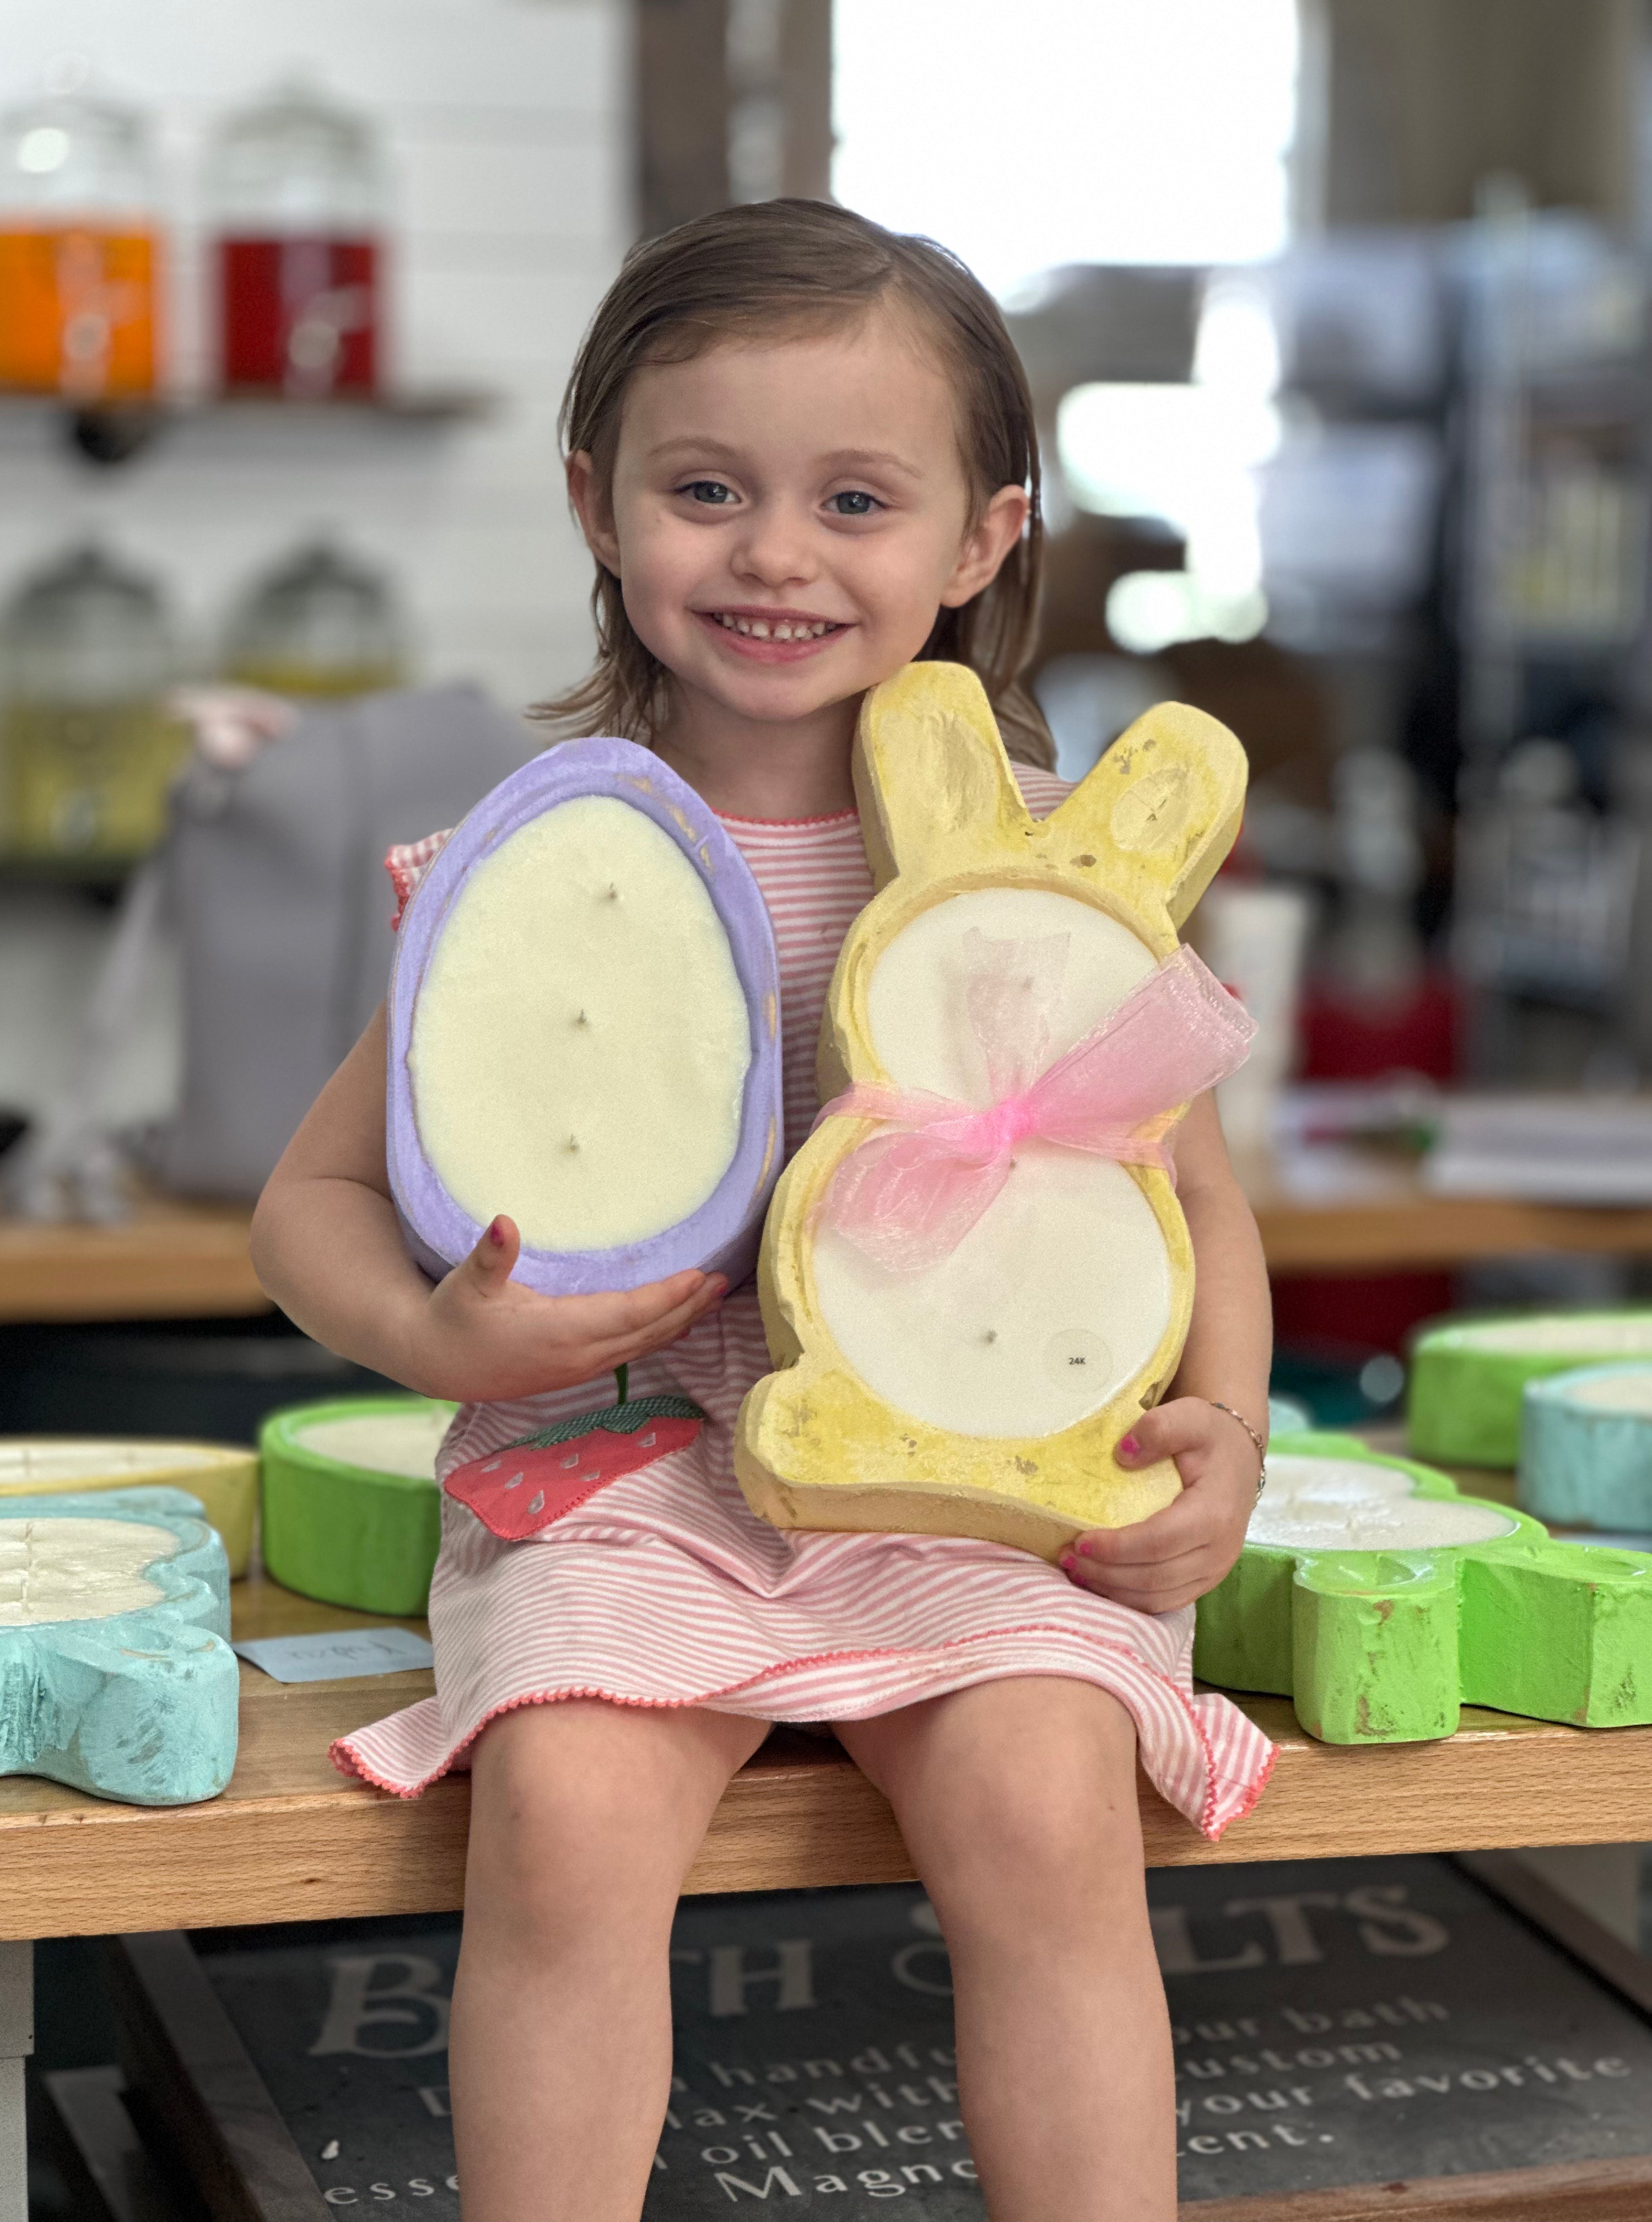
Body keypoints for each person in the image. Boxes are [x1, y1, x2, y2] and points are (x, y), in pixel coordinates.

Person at [251, 198, 1275, 2222]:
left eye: (856, 499)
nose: (776, 552)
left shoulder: (1055, 904)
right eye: (706, 488)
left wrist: (1223, 1437)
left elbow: (1199, 1210)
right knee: (564, 1807)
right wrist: (432, 1337)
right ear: (599, 507)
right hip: (622, 1479)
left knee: (1047, 1800)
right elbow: (313, 1201)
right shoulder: (526, 875)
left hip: (962, 1490)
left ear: (981, 539)